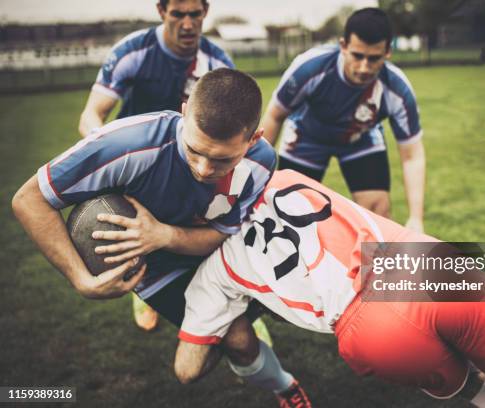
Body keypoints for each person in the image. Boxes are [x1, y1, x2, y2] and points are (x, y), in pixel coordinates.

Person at [174, 169, 485, 408]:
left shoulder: (215, 270)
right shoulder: (281, 176)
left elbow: (187, 370)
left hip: (367, 332)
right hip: (413, 262)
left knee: (474, 387)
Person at [12, 69, 310, 408]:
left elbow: (222, 235)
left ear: (253, 139)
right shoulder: (126, 145)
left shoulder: (262, 162)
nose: (203, 168)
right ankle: (249, 313)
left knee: (241, 341)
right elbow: (29, 199)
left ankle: (286, 387)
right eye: (195, 151)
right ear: (184, 114)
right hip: (157, 271)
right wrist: (81, 279)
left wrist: (163, 235)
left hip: (218, 255)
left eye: (222, 159)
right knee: (195, 368)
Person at [78, 0, 236, 330]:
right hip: (138, 163)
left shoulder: (218, 62)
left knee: (217, 232)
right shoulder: (132, 51)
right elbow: (91, 115)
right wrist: (111, 153)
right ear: (161, 11)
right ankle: (145, 286)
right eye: (179, 14)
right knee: (146, 234)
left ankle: (235, 308)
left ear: (206, 11)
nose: (189, 23)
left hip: (191, 161)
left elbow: (243, 124)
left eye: (195, 14)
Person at [261, 8, 426, 232]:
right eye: (357, 56)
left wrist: (416, 218)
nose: (364, 67)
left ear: (388, 51)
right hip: (306, 138)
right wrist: (256, 174)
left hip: (360, 138)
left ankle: (374, 268)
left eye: (374, 58)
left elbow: (412, 155)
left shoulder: (396, 89)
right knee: (291, 216)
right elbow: (274, 116)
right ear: (343, 46)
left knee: (378, 212)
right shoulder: (310, 67)